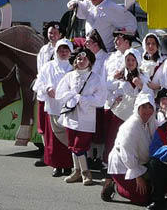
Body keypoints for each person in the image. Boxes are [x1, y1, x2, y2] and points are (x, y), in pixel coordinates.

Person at [56, 47, 106, 185]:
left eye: (84, 58)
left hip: (86, 117)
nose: (81, 61)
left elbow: (100, 98)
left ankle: (85, 172)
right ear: (75, 61)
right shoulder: (69, 76)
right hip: (71, 115)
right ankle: (76, 171)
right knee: (72, 144)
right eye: (79, 58)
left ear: (90, 61)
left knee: (80, 145)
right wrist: (71, 96)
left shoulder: (96, 78)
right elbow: (60, 93)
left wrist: (83, 99)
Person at [102, 92, 158, 205]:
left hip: (141, 162)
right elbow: (127, 153)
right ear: (137, 108)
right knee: (142, 198)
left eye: (150, 107)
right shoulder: (130, 127)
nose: (147, 111)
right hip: (124, 164)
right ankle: (115, 185)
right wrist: (137, 176)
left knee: (155, 193)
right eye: (143, 107)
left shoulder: (152, 122)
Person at [32, 39, 74, 177]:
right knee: (54, 140)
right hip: (53, 108)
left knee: (67, 138)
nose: (63, 53)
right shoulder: (48, 67)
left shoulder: (74, 67)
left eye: (66, 50)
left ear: (70, 52)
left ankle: (68, 166)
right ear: (56, 51)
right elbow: (37, 84)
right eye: (61, 50)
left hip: (69, 109)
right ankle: (56, 166)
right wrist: (47, 88)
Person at [105, 48, 149, 162]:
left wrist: (140, 86)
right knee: (113, 140)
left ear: (137, 61)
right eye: (128, 60)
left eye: (133, 60)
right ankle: (111, 171)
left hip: (134, 115)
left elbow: (149, 93)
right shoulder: (119, 74)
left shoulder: (143, 75)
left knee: (130, 141)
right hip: (120, 113)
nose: (130, 63)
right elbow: (107, 88)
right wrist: (114, 99)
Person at [67, 0, 137, 52]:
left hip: (106, 50)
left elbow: (129, 21)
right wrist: (74, 4)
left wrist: (123, 34)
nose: (91, 0)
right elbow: (79, 4)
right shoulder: (90, 6)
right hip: (90, 49)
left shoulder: (112, 7)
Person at [34, 21, 64, 168]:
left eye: (55, 33)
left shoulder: (64, 50)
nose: (52, 35)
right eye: (50, 33)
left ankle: (57, 156)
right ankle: (46, 153)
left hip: (58, 95)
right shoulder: (43, 50)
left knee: (56, 127)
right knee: (43, 126)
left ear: (61, 35)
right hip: (44, 91)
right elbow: (40, 71)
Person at [85, 29, 109, 167]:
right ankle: (88, 156)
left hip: (99, 98)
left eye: (89, 42)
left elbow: (103, 79)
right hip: (87, 98)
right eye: (86, 42)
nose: (87, 44)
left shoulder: (105, 58)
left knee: (99, 130)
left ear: (97, 43)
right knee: (88, 129)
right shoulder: (86, 57)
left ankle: (99, 157)